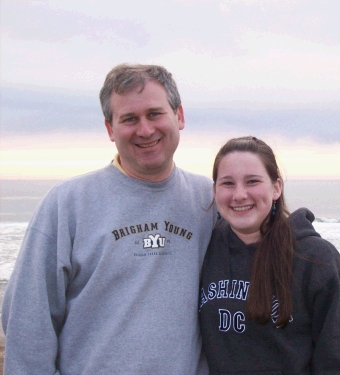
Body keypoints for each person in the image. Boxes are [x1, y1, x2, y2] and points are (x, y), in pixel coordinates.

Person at [2, 64, 216, 374]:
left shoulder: (210, 201)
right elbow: (27, 322)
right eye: (129, 119)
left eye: (154, 114)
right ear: (110, 129)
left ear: (179, 116)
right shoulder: (67, 204)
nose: (145, 130)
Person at [199, 136, 340, 374]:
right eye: (228, 183)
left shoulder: (316, 259)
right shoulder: (204, 247)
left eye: (252, 181)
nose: (239, 194)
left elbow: (339, 361)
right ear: (214, 190)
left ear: (276, 187)